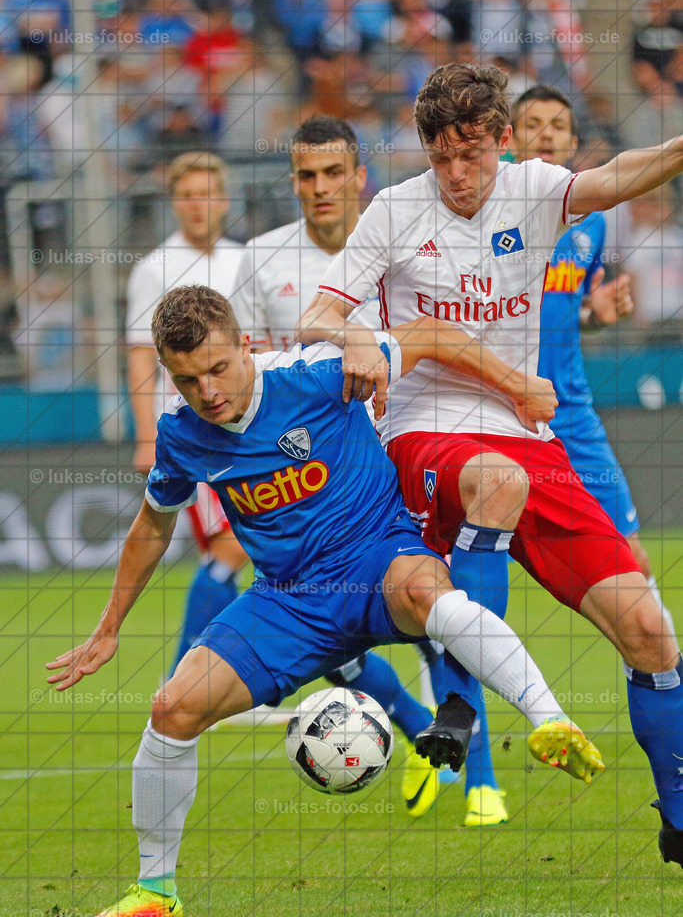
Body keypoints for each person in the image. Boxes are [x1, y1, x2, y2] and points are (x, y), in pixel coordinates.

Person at [46, 285, 604, 917]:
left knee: (429, 592)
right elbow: (154, 522)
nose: (207, 392)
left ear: (247, 345)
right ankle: (155, 892)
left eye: (218, 369)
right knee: (173, 709)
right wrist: (109, 625)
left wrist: (515, 384)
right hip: (286, 602)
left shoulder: (316, 373)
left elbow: (427, 334)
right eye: (187, 380)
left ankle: (551, 719)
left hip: (375, 561)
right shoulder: (182, 435)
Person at [296, 61, 683, 865]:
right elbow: (318, 316)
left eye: (470, 154)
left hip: (526, 436)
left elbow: (618, 175)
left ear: (501, 143)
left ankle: (678, 822)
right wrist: (358, 335)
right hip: (424, 434)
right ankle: (463, 701)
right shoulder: (395, 211)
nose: (455, 174)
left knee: (649, 630)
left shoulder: (535, 190)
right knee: (494, 482)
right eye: (439, 156)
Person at [231, 113, 453, 819]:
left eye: (334, 173)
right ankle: (417, 724)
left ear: (361, 177)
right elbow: (245, 380)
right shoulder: (262, 261)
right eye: (306, 175)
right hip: (318, 480)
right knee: (324, 628)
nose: (320, 188)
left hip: (405, 450)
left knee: (433, 605)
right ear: (292, 181)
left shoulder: (403, 245)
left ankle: (470, 768)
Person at [126, 151, 249, 672]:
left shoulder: (244, 257)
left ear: (223, 199)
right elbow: (139, 353)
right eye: (187, 195)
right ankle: (186, 678)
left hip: (243, 423)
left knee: (248, 543)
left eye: (206, 194)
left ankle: (212, 676)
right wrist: (145, 437)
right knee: (230, 543)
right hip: (190, 429)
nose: (198, 206)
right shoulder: (155, 268)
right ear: (174, 203)